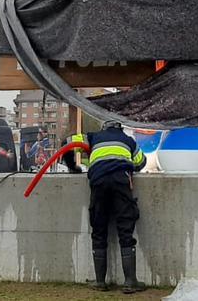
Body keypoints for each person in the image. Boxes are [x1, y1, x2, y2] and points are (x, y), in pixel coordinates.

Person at [81, 120, 148, 293]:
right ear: (120, 128)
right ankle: (130, 282)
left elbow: (68, 143)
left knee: (99, 228)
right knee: (125, 227)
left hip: (98, 182)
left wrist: (73, 166)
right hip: (120, 180)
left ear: (103, 127)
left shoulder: (92, 137)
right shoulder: (128, 140)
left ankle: (100, 281)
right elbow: (142, 162)